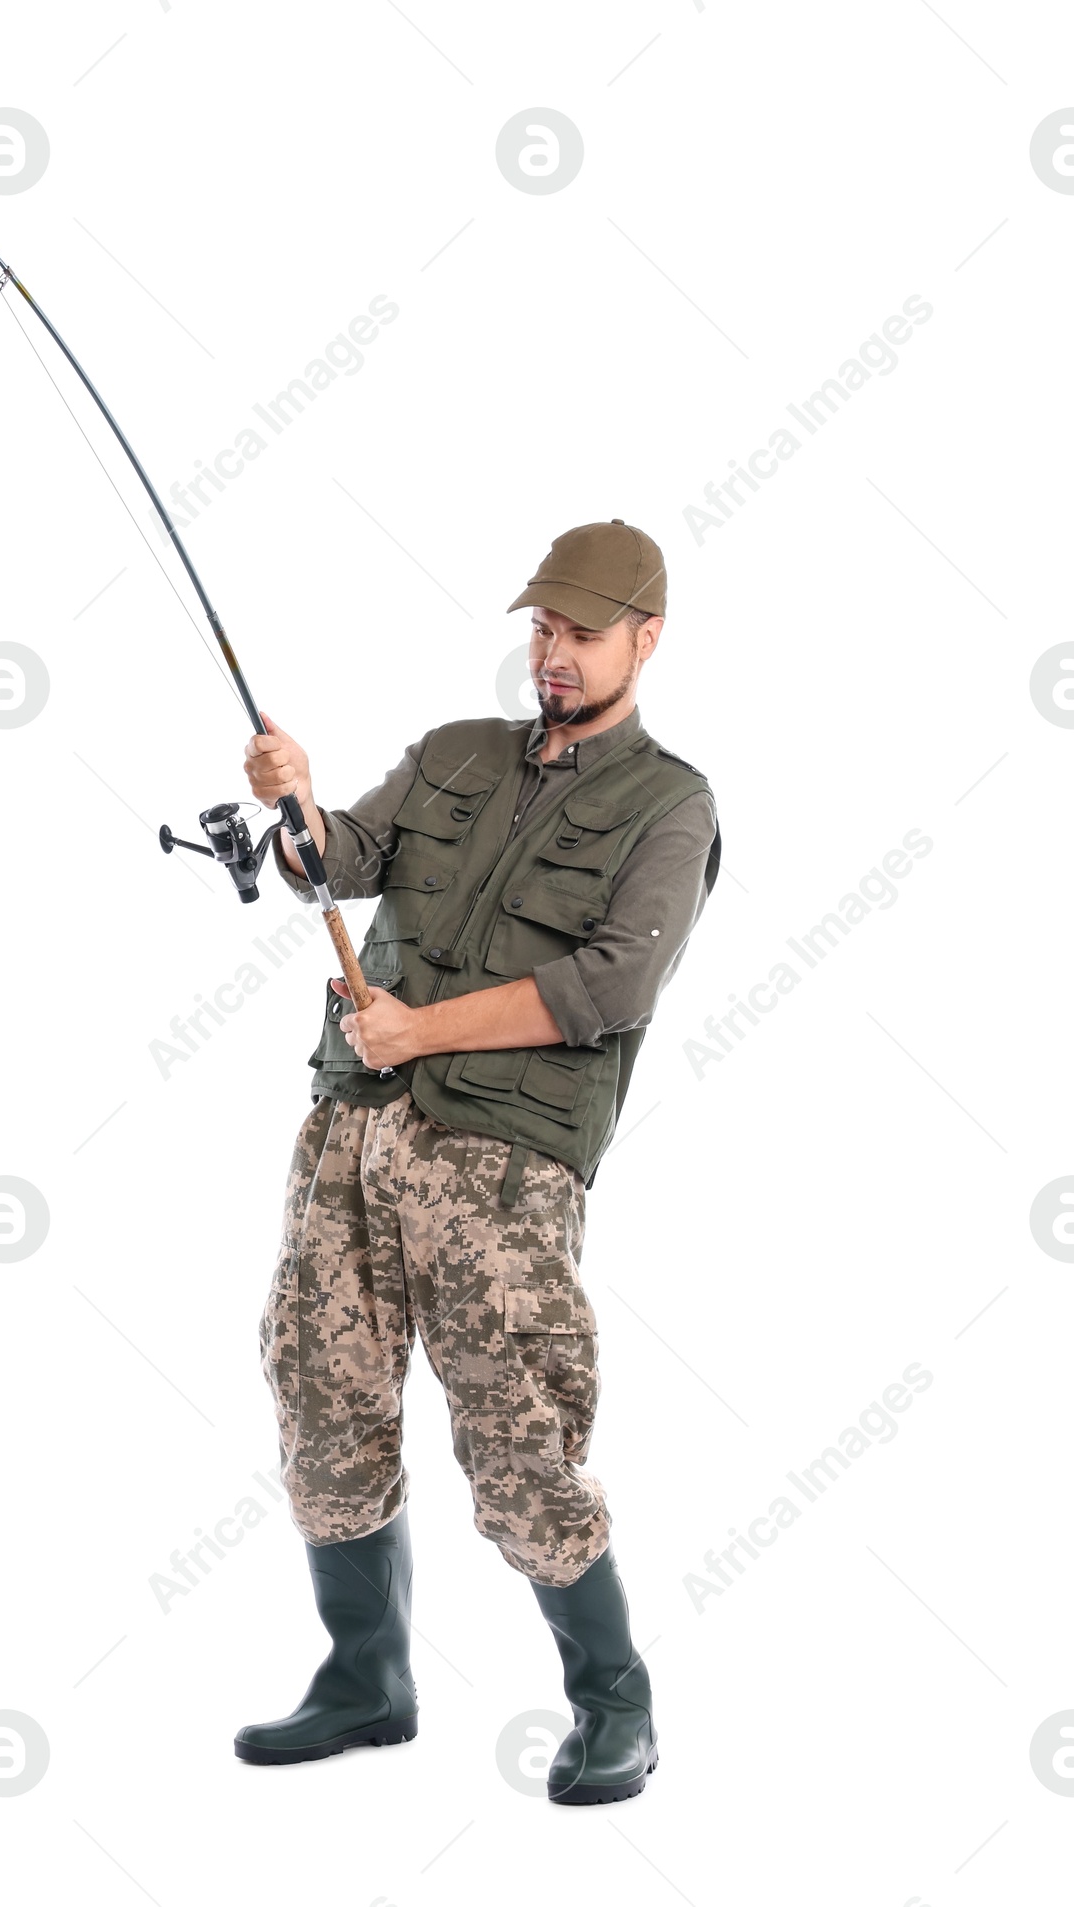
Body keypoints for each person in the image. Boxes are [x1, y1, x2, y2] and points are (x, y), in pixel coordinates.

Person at [232, 520, 719, 1803]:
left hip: (503, 1160)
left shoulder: (670, 802)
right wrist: (294, 804)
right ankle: (364, 1679)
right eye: (542, 630)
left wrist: (421, 1030)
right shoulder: (454, 754)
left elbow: (609, 982)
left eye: (583, 633)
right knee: (317, 1391)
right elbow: (335, 860)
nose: (553, 655)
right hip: (352, 1127)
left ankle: (615, 1701)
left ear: (646, 637)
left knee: (515, 1434)